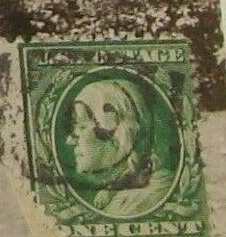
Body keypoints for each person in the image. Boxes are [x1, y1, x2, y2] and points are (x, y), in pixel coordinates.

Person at [64, 74, 178, 218]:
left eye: (80, 126)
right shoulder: (119, 195)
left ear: (115, 132)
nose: (70, 140)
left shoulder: (137, 202)